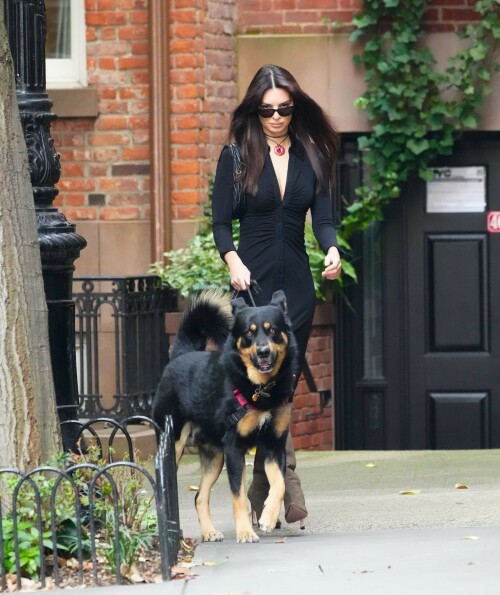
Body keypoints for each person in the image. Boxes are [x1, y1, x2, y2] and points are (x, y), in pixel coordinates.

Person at [211, 64, 342, 527]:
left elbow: (323, 219)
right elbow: (221, 225)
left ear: (294, 107)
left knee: (282, 385)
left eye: (284, 109)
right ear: (255, 110)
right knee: (256, 384)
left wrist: (330, 248)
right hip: (252, 284)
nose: (275, 117)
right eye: (266, 110)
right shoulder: (237, 155)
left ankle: (265, 484)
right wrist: (233, 263)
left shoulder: (312, 154)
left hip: (296, 289)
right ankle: (290, 482)